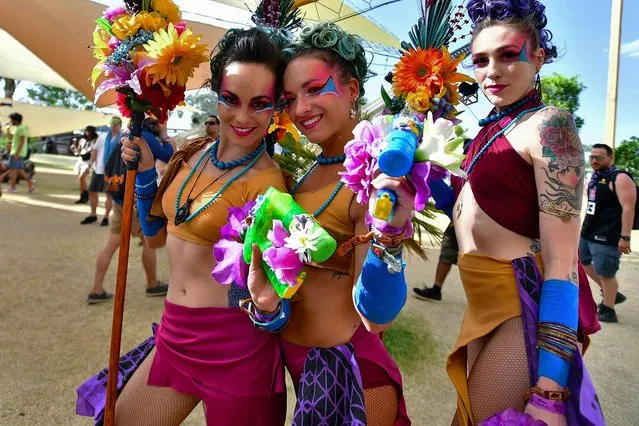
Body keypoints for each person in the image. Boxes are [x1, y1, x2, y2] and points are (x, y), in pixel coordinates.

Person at [113, 28, 289, 425]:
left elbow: (273, 291)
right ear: (215, 92)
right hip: (175, 331)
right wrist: (144, 176)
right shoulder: (191, 152)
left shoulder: (270, 185)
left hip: (236, 348)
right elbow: (156, 239)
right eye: (231, 99)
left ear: (275, 106)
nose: (242, 117)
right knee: (124, 419)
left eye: (259, 104)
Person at [443, 1, 604, 424]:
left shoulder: (550, 125)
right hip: (481, 304)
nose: (491, 71)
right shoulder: (486, 132)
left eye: (507, 55)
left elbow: (563, 263)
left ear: (538, 57)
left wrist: (550, 391)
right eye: (480, 60)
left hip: (521, 305)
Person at [250, 22, 413, 425]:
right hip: (298, 365)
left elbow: (377, 316)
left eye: (314, 89)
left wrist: (388, 236)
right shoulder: (306, 173)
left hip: (352, 373)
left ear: (353, 90)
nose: (301, 108)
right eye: (290, 98)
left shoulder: (373, 178)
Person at [580, 143, 637, 323]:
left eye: (600, 157)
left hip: (607, 234)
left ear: (611, 158)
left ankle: (608, 308)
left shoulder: (619, 178)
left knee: (607, 273)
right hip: (588, 231)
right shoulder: (596, 177)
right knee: (584, 262)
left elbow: (629, 208)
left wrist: (625, 237)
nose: (595, 161)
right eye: (592, 158)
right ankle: (611, 292)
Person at [81, 117, 122, 226]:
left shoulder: (122, 138)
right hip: (99, 169)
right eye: (113, 122)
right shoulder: (102, 137)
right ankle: (93, 215)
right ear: (110, 124)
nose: (114, 124)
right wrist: (89, 166)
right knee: (92, 191)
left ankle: (106, 217)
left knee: (109, 195)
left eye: (117, 123)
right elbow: (94, 152)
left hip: (113, 172)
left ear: (120, 125)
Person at [413, 223, 459, 302]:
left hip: (473, 220)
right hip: (461, 221)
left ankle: (436, 289)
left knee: (450, 252)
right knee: (447, 254)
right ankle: (436, 289)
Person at [3, 113, 35, 193]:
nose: (10, 121)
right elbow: (10, 137)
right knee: (18, 169)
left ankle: (13, 187)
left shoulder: (21, 128)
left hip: (17, 152)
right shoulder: (17, 128)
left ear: (16, 120)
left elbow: (22, 141)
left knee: (13, 170)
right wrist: (8, 128)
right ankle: (30, 182)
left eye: (11, 120)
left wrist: (17, 153)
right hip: (15, 151)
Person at [71, 126, 99, 205]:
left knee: (82, 177)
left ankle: (85, 196)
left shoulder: (95, 140)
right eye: (87, 131)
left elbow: (93, 151)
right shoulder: (82, 140)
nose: (88, 133)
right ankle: (82, 196)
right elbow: (78, 152)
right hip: (81, 161)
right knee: (81, 179)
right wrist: (74, 148)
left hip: (89, 161)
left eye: (89, 131)